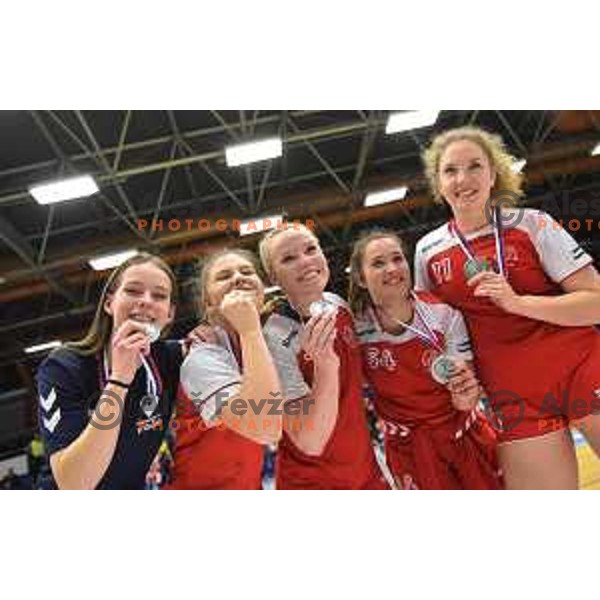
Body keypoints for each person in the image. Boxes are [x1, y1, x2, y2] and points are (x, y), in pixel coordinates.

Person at [415, 126, 600, 489]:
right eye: (450, 170)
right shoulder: (427, 251)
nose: (463, 178)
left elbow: (596, 303)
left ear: (494, 173)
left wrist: (518, 303)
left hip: (581, 368)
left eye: (474, 166)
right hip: (512, 395)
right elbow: (435, 334)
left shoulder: (532, 224)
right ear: (437, 182)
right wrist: (457, 377)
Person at [348, 230, 501, 489]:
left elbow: (467, 386)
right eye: (378, 263)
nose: (392, 268)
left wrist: (465, 393)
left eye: (398, 259)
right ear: (361, 279)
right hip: (408, 449)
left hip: (466, 435)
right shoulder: (353, 329)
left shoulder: (443, 313)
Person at [36, 253, 183, 490]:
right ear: (109, 303)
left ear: (169, 314)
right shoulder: (64, 367)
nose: (146, 300)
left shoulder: (170, 358)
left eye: (159, 295)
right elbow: (74, 484)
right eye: (133, 291)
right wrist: (119, 381)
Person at [259, 225, 389, 489]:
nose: (305, 261)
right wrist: (325, 366)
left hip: (365, 471)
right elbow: (310, 442)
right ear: (274, 277)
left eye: (310, 249)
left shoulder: (338, 305)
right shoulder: (275, 338)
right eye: (289, 258)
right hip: (314, 482)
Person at [165, 249, 282, 490]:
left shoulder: (268, 343)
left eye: (247, 271)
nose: (238, 278)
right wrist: (250, 328)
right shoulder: (200, 356)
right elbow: (264, 427)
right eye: (223, 276)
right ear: (209, 304)